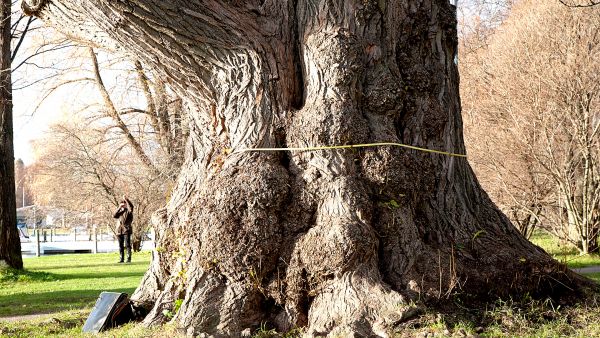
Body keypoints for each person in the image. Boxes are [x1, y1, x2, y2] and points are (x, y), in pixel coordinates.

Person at [113, 195, 134, 263]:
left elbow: (131, 207)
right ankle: (121, 259)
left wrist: (126, 200)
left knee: (127, 245)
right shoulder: (119, 212)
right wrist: (119, 207)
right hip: (119, 231)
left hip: (126, 230)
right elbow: (114, 215)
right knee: (120, 245)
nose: (123, 205)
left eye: (124, 204)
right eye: (122, 204)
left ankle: (128, 258)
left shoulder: (129, 212)